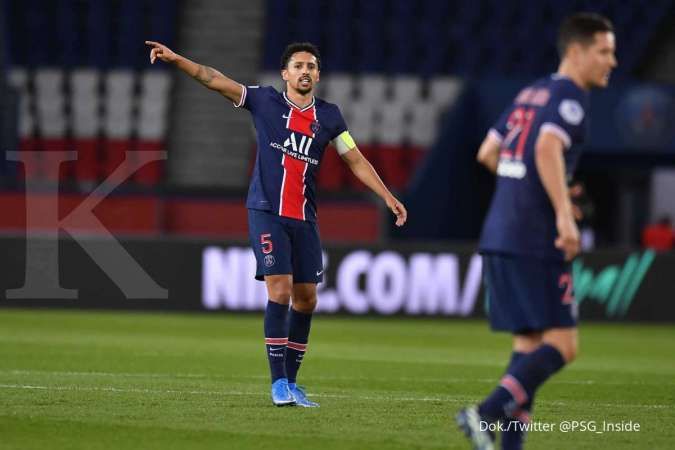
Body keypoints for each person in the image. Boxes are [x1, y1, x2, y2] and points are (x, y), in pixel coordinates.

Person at [145, 40, 407, 407]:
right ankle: (278, 383)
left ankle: (293, 382)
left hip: (305, 216)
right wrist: (177, 60)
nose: (305, 71)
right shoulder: (265, 101)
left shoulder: (330, 117)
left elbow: (355, 159)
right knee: (280, 291)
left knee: (307, 299)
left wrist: (387, 195)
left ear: (318, 74)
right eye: (298, 65)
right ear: (285, 74)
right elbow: (214, 79)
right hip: (267, 211)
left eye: (311, 66)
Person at [456, 13, 616, 449]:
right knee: (564, 345)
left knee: (527, 349)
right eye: (604, 51)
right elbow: (546, 146)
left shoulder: (530, 92)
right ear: (577, 52)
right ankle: (483, 413)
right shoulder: (570, 96)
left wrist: (534, 182)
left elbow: (489, 152)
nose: (612, 61)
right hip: (534, 236)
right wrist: (564, 215)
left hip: (500, 233)